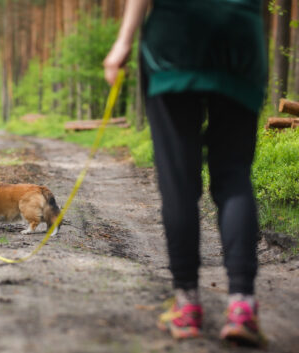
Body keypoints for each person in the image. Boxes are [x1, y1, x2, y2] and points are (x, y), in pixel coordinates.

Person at [104, 0, 267, 346]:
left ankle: (188, 306)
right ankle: (242, 306)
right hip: (238, 34)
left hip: (175, 37)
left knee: (178, 183)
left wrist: (124, 41)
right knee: (234, 174)